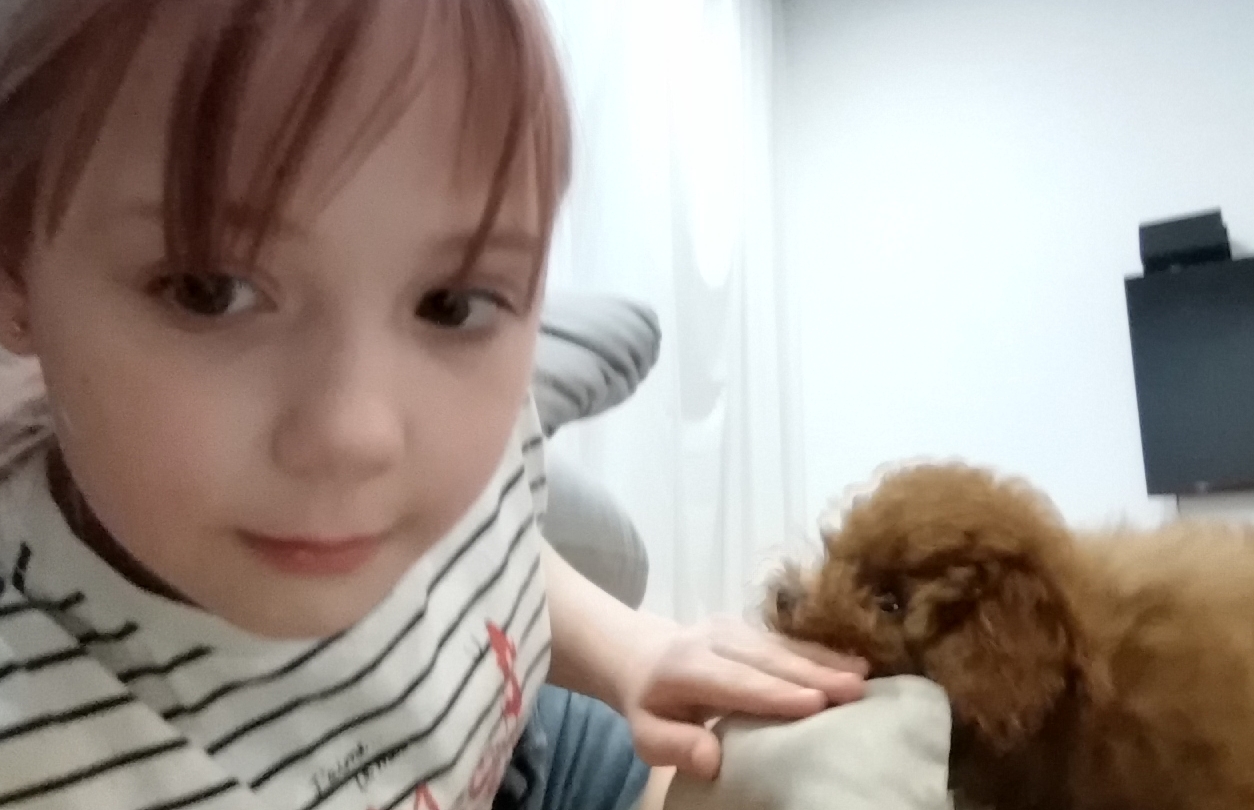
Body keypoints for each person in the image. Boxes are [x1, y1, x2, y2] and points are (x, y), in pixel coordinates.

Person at [0, 2, 868, 809]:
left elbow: (490, 537)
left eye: (450, 302)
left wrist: (632, 649)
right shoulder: (48, 749)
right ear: (14, 276)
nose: (360, 434)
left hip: (529, 738)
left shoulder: (452, 407)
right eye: (210, 290)